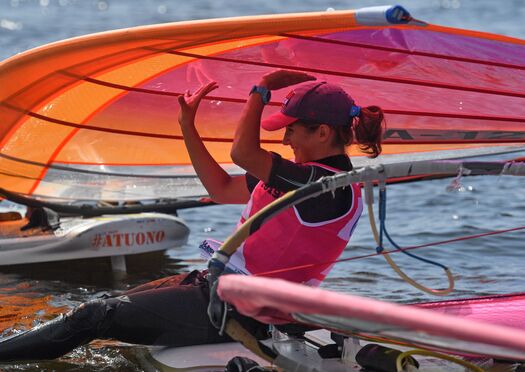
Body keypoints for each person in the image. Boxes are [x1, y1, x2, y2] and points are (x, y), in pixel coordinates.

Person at [0, 70, 384, 361]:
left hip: (245, 311)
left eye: (292, 130)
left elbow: (243, 154)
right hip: (218, 288)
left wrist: (261, 90)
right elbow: (221, 188)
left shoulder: (325, 185)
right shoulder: (298, 179)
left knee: (94, 315)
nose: (284, 140)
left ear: (322, 133)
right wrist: (188, 127)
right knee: (102, 306)